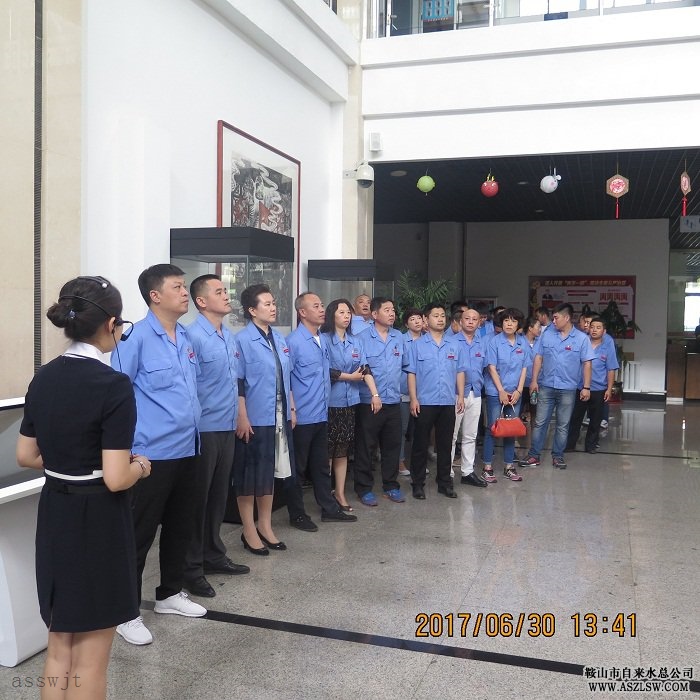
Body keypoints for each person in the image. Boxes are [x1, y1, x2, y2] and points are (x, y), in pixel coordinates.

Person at [17, 275, 152, 700]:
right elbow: (115, 477)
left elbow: (25, 455)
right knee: (92, 655)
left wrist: (66, 465)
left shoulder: (44, 377)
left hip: (55, 512)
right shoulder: (112, 385)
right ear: (111, 323)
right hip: (98, 520)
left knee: (60, 645)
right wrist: (140, 467)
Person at [112, 264, 206, 646]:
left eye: (184, 287)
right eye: (178, 287)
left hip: (188, 447)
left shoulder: (184, 336)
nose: (185, 293)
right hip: (150, 454)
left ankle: (169, 594)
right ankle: (125, 611)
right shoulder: (134, 337)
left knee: (181, 526)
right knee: (138, 533)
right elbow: (118, 396)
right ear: (155, 295)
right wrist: (128, 451)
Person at [183, 275, 250, 599]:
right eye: (219, 292)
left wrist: (240, 415)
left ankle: (213, 554)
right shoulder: (191, 336)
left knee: (218, 497)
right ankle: (191, 568)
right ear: (201, 301)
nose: (226, 296)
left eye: (226, 290)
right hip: (203, 429)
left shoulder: (228, 336)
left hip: (226, 426)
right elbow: (187, 385)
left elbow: (234, 382)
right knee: (197, 500)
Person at [286, 292, 358, 523]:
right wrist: (292, 410)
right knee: (298, 468)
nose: (321, 310)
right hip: (302, 416)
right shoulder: (293, 342)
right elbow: (286, 380)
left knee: (320, 466)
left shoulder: (322, 340)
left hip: (321, 412)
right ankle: (297, 514)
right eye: (315, 306)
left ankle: (329, 508)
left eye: (321, 305)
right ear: (302, 312)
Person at [234, 284, 294, 554]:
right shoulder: (242, 340)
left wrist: (292, 408)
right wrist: (242, 416)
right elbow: (238, 382)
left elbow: (286, 377)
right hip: (254, 416)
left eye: (273, 303)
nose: (273, 308)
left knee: (269, 473)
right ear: (252, 309)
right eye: (267, 304)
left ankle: (265, 526)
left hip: (278, 414)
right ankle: (248, 530)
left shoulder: (279, 338)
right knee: (250, 475)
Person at [321, 298, 381, 511]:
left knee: (343, 451)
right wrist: (350, 377)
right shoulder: (324, 340)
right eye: (341, 313)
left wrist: (375, 394)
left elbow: (365, 369)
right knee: (328, 451)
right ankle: (326, 495)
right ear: (332, 315)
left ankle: (340, 492)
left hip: (350, 403)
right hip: (330, 403)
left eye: (348, 313)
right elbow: (326, 371)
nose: (346, 316)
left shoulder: (355, 341)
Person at [520, 303, 594, 470]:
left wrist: (586, 387)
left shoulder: (581, 339)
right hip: (546, 386)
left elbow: (587, 363)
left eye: (556, 318)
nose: (553, 321)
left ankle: (558, 456)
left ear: (566, 318)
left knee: (563, 424)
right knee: (540, 422)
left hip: (568, 388)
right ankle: (534, 455)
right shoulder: (546, 335)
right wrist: (534, 381)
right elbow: (538, 358)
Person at [406, 302, 466, 499]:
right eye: (436, 316)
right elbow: (411, 373)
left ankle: (444, 483)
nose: (440, 319)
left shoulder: (455, 345)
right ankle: (417, 484)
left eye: (442, 316)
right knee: (420, 445)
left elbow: (460, 371)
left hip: (447, 401)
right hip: (424, 401)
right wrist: (413, 398)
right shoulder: (417, 345)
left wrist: (460, 396)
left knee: (445, 444)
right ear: (426, 319)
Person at [353, 297, 407, 505]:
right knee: (366, 446)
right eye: (387, 310)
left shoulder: (398, 337)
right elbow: (362, 368)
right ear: (374, 314)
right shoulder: (361, 338)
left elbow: (405, 366)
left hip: (393, 400)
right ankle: (363, 488)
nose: (392, 313)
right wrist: (374, 394)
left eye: (393, 310)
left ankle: (391, 486)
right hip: (369, 401)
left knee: (392, 446)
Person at [482, 308, 529, 482]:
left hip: (515, 393)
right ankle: (487, 467)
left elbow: (524, 368)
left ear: (518, 324)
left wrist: (519, 390)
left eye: (513, 321)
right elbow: (491, 368)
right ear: (501, 323)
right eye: (506, 320)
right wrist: (501, 391)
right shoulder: (494, 342)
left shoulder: (522, 342)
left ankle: (509, 466)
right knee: (493, 428)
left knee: (511, 429)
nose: (509, 324)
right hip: (496, 392)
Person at [565, 315, 619, 453]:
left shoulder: (607, 346)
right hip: (580, 387)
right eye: (592, 327)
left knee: (595, 420)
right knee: (575, 417)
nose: (594, 330)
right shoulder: (582, 343)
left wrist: (609, 389)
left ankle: (591, 445)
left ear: (604, 331)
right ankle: (570, 444)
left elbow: (611, 369)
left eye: (598, 327)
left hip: (598, 389)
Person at [450, 308, 488, 487]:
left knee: (471, 435)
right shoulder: (451, 341)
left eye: (475, 319)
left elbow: (485, 368)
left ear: (479, 322)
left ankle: (467, 472)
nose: (471, 321)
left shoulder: (482, 343)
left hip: (476, 392)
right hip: (456, 394)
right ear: (460, 321)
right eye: (467, 318)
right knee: (451, 435)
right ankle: (447, 473)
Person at [399, 307, 424, 475]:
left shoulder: (428, 340)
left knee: (420, 430)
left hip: (423, 393)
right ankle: (400, 462)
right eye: (412, 319)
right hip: (403, 391)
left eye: (419, 318)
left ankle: (418, 463)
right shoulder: (400, 340)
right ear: (407, 324)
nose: (416, 322)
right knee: (401, 429)